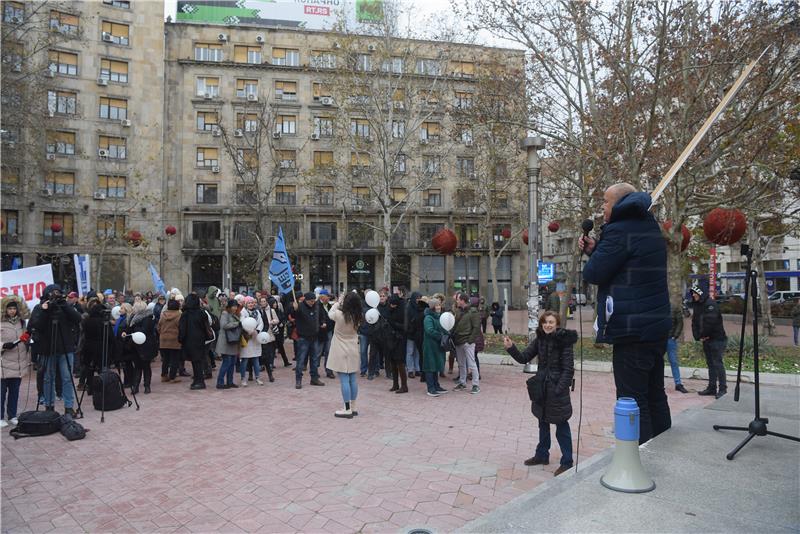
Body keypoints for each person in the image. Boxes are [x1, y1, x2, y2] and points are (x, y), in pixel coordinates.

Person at [580, 183, 671, 444]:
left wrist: (595, 252)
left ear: (619, 204)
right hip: (655, 325)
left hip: (632, 330)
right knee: (655, 394)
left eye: (606, 202)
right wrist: (597, 249)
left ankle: (637, 459)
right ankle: (665, 450)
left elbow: (594, 273)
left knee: (632, 399)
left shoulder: (619, 230)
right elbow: (624, 264)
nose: (603, 208)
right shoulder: (647, 224)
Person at [503, 311, 577, 476]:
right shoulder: (540, 340)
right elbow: (524, 358)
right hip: (541, 388)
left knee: (561, 424)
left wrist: (559, 389)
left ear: (557, 324)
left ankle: (567, 461)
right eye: (545, 322)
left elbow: (568, 369)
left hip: (557, 390)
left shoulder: (564, 342)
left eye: (551, 322)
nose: (548, 325)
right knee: (542, 421)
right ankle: (542, 455)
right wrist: (511, 348)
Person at [28, 284, 82, 415]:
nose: (55, 295)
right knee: (48, 378)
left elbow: (77, 318)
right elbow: (34, 326)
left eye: (58, 292)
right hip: (47, 348)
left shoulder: (64, 306)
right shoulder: (39, 307)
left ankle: (69, 407)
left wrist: (64, 304)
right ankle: (49, 406)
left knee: (67, 378)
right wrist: (44, 310)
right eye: (52, 293)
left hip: (65, 347)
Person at [326, 292, 363, 418]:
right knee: (352, 378)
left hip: (340, 348)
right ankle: (353, 406)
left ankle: (346, 408)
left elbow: (330, 313)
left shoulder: (340, 314)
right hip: (353, 348)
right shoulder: (358, 316)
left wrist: (338, 302)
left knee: (344, 379)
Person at [689, 286, 728, 399]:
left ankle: (722, 388)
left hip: (717, 339)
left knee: (717, 364)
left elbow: (710, 323)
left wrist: (704, 335)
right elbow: (694, 323)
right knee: (710, 364)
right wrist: (698, 337)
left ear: (700, 293)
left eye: (695, 293)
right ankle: (712, 388)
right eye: (692, 293)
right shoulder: (697, 305)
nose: (693, 295)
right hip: (706, 339)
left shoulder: (711, 304)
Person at [1, 297, 30, 427]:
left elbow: (25, 337)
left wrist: (27, 339)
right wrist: (3, 345)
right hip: (3, 363)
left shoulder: (21, 322)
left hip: (18, 363)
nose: (12, 311)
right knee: (1, 393)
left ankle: (12, 415)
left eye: (14, 308)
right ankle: (0, 417)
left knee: (15, 392)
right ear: (5, 309)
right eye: (10, 308)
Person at [292, 292, 325, 389]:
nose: (312, 302)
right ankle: (298, 380)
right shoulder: (300, 307)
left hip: (314, 337)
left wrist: (322, 322)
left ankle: (314, 378)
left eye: (314, 300)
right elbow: (293, 315)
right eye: (310, 301)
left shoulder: (317, 306)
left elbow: (321, 316)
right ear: (305, 300)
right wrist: (294, 309)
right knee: (301, 360)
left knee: (314, 359)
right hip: (303, 337)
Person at [178, 293, 211, 390]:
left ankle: (199, 381)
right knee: (198, 361)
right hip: (200, 340)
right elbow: (206, 327)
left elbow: (182, 329)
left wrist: (180, 339)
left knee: (195, 362)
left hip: (189, 341)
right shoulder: (202, 313)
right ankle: (198, 380)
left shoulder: (185, 314)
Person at [127, 300, 158, 394]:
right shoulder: (134, 318)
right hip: (136, 346)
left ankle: (147, 386)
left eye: (134, 307)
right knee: (137, 366)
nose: (133, 309)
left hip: (146, 345)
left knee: (146, 366)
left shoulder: (147, 318)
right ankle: (135, 386)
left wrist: (134, 328)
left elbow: (144, 330)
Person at [452, 292, 481, 394]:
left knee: (471, 363)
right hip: (459, 341)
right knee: (461, 364)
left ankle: (475, 384)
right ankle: (462, 382)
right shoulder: (459, 311)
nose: (457, 301)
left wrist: (470, 340)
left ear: (462, 300)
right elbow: (455, 325)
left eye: (458, 299)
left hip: (467, 341)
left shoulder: (473, 312)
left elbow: (476, 327)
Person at [421, 298, 448, 397]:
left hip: (438, 346)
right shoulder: (428, 318)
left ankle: (437, 386)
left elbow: (444, 328)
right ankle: (430, 388)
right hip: (430, 346)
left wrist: (447, 333)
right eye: (436, 305)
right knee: (430, 367)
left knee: (436, 366)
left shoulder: (439, 317)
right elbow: (429, 330)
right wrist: (441, 336)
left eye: (439, 305)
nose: (438, 307)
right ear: (432, 307)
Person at [215, 299, 241, 389]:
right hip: (226, 342)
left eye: (236, 306)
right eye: (233, 306)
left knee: (232, 363)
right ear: (229, 307)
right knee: (226, 362)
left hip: (233, 341)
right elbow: (224, 325)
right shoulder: (225, 314)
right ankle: (220, 382)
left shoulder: (235, 315)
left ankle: (230, 381)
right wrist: (237, 323)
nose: (235, 308)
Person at [239, 297, 264, 386]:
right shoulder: (243, 312)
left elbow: (261, 323)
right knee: (245, 359)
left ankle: (257, 377)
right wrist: (248, 330)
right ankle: (243, 378)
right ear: (246, 304)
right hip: (246, 338)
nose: (251, 304)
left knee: (256, 359)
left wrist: (257, 331)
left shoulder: (257, 312)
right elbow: (242, 323)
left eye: (252, 303)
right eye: (249, 303)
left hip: (255, 338)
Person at [386, 294, 408, 393]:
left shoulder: (403, 310)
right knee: (393, 362)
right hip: (391, 338)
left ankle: (404, 386)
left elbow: (405, 326)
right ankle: (395, 384)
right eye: (390, 304)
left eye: (393, 305)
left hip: (400, 338)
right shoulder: (390, 309)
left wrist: (394, 323)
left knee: (400, 362)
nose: (391, 306)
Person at [157, 299, 183, 383]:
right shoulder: (179, 315)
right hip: (175, 340)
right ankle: (172, 377)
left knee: (165, 359)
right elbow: (181, 328)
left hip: (163, 339)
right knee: (174, 359)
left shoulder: (163, 315)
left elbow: (158, 327)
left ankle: (164, 375)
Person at [666, 304, 688, 393]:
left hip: (670, 339)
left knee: (673, 361)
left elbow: (680, 323)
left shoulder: (674, 308)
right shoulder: (658, 308)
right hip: (660, 339)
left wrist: (675, 336)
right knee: (657, 362)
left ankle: (678, 383)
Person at [405, 292, 424, 379]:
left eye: (419, 298)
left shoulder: (421, 307)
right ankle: (410, 369)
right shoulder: (408, 308)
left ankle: (417, 369)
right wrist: (409, 329)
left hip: (419, 333)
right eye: (416, 298)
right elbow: (406, 321)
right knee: (410, 351)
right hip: (410, 333)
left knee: (417, 352)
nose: (418, 300)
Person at [318, 290, 336, 379]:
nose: (329, 298)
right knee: (317, 352)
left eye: (329, 296)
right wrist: (320, 324)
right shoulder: (316, 305)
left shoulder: (329, 306)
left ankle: (329, 371)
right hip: (319, 333)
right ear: (322, 296)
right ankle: (314, 371)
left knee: (328, 351)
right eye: (327, 296)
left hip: (328, 331)